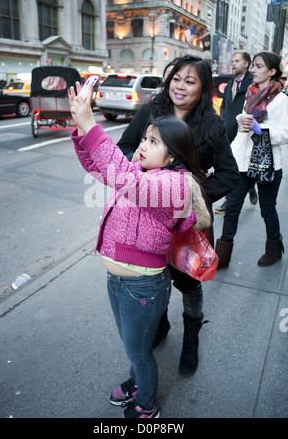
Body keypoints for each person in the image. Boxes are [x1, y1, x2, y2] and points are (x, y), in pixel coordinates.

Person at [69, 81, 211, 418]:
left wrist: (91, 124)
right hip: (118, 282)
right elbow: (97, 165)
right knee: (135, 349)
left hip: (143, 287)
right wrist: (80, 126)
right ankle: (138, 383)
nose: (142, 146)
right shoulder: (140, 172)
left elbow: (122, 178)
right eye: (144, 138)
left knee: (140, 352)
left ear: (173, 153)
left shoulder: (175, 186)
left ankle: (147, 407)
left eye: (152, 141)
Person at [116, 55, 240, 377]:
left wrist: (191, 194)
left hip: (189, 223)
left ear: (203, 89)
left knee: (189, 282)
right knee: (153, 279)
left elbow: (230, 174)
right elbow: (124, 147)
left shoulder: (213, 125)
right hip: (147, 217)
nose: (181, 86)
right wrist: (145, 170)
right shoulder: (150, 112)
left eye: (190, 81)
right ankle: (160, 325)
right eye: (177, 78)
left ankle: (191, 338)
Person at [215, 51, 288, 269]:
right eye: (253, 66)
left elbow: (284, 133)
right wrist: (242, 123)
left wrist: (260, 129)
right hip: (243, 162)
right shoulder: (251, 94)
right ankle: (223, 255)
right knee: (233, 208)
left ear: (272, 71)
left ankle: (274, 248)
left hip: (269, 163)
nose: (253, 70)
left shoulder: (282, 99)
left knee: (267, 209)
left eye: (258, 66)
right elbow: (243, 131)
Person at [215, 50, 257, 214]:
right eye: (233, 61)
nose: (233, 63)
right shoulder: (229, 84)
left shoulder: (253, 84)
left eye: (237, 61)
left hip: (245, 132)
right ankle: (230, 200)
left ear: (246, 64)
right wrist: (222, 120)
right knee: (230, 168)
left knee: (242, 167)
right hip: (228, 131)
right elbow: (225, 106)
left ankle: (250, 187)